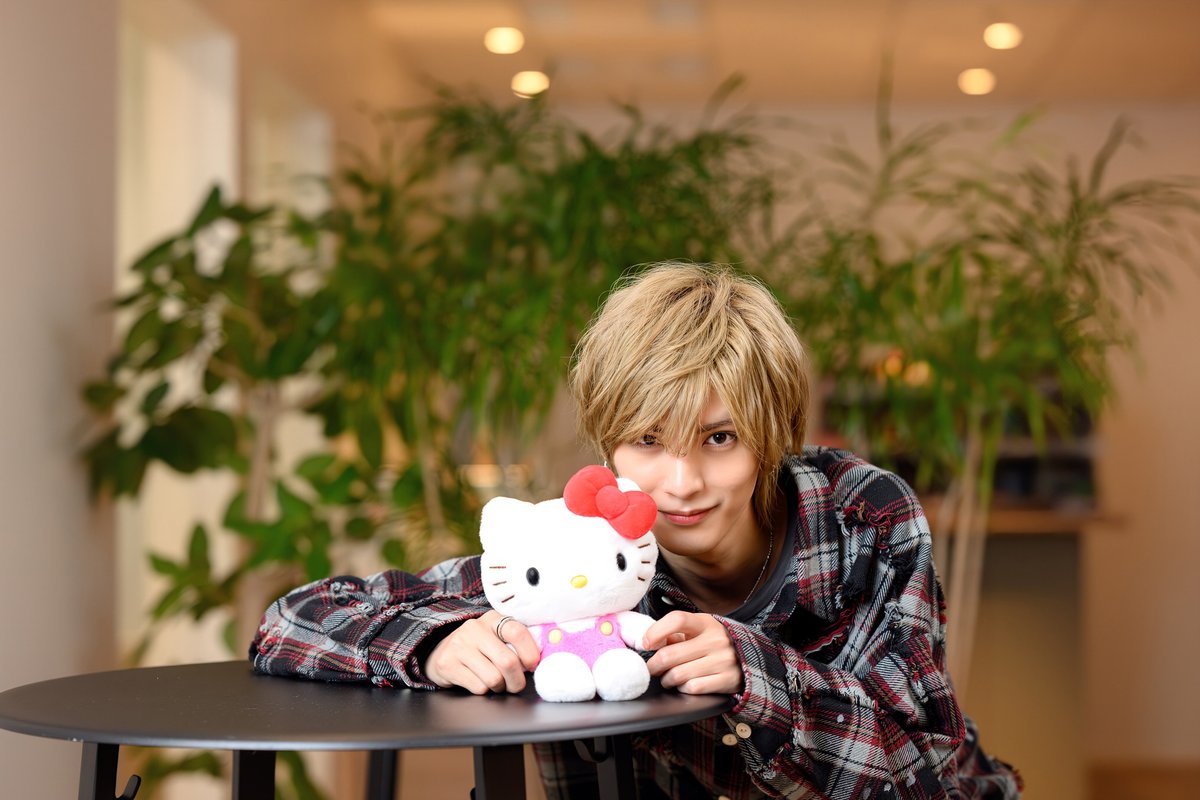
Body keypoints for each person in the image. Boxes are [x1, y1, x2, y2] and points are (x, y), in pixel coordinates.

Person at [250, 263, 1021, 799]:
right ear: (608, 445)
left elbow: (924, 776)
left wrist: (759, 676)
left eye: (720, 439)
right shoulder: (573, 557)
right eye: (649, 441)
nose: (681, 484)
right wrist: (435, 643)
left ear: (773, 435)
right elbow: (293, 620)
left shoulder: (864, 520)